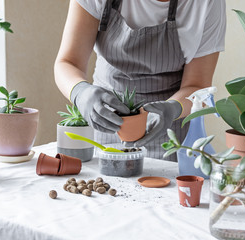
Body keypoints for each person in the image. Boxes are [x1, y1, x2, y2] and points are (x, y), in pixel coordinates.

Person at [54, 0, 226, 161]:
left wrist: (173, 108)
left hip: (168, 136)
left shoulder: (206, 3)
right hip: (104, 126)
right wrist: (81, 92)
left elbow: (198, 85)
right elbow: (68, 62)